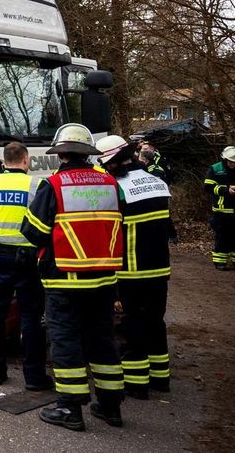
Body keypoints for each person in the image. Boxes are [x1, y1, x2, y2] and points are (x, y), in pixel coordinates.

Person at [22, 124, 126, 431]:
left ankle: (70, 408)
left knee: (66, 341)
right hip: (104, 279)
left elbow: (34, 232)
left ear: (61, 154)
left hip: (65, 280)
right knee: (102, 339)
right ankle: (110, 406)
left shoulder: (53, 186)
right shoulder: (110, 183)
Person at [96, 135, 175, 399]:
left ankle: (136, 383)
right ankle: (160, 377)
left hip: (132, 269)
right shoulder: (156, 181)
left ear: (115, 162)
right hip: (159, 267)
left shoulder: (117, 188)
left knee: (132, 324)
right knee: (155, 321)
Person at [0, 142, 50, 390]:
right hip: (27, 260)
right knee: (30, 317)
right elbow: (42, 224)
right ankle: (34, 377)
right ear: (26, 160)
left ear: (3, 161)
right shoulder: (36, 185)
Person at [204, 146, 235, 270]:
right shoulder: (215, 169)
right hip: (222, 210)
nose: (232, 164)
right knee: (222, 237)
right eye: (230, 162)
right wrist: (225, 190)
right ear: (224, 159)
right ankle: (220, 262)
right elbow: (208, 187)